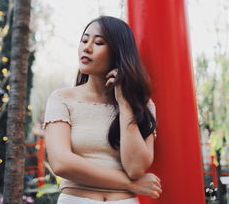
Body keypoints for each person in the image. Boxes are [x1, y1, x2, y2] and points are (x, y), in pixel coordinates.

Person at [43, 16, 161, 204]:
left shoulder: (142, 106)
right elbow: (61, 163)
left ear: (118, 52)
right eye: (84, 40)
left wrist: (124, 103)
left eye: (98, 42)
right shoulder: (62, 99)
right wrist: (130, 185)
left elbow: (135, 168)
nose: (87, 48)